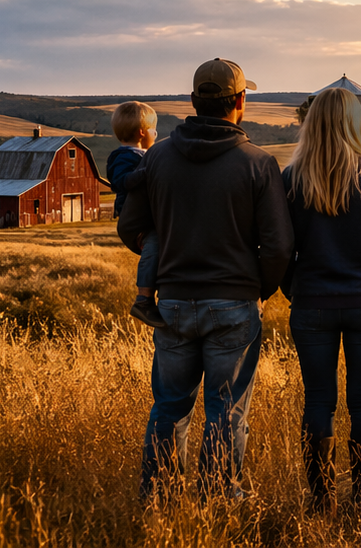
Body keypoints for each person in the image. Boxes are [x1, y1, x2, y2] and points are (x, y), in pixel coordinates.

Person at [117, 58, 293, 500]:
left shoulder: (156, 158)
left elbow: (131, 225)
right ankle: (218, 495)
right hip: (234, 304)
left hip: (173, 301)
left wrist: (169, 254)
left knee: (170, 406)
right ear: (240, 102)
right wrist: (257, 288)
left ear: (194, 102)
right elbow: (278, 247)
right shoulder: (258, 163)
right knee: (225, 408)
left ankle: (158, 497)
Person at [283, 88, 361, 512]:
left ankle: (320, 501)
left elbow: (280, 249)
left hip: (311, 304)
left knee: (318, 401)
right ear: (356, 123)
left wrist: (295, 288)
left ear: (312, 123)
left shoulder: (292, 178)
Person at [108, 100, 162, 328]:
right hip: (135, 216)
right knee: (154, 244)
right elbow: (120, 181)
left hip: (145, 211)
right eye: (153, 129)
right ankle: (144, 298)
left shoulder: (142, 156)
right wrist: (145, 172)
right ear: (142, 133)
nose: (156, 134)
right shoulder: (126, 157)